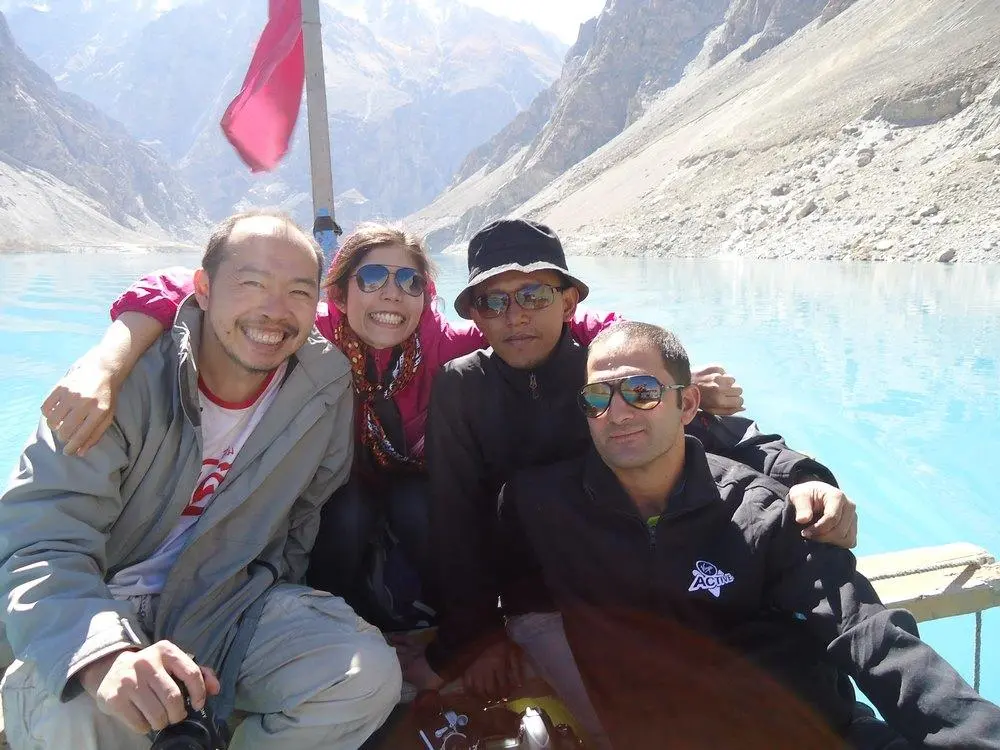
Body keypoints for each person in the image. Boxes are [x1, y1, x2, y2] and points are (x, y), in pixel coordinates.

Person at [38, 223, 744, 629]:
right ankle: (335, 619)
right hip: (335, 487)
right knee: (343, 513)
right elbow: (178, 288)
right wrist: (108, 360)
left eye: (409, 282)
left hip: (412, 483)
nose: (390, 295)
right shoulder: (305, 329)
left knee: (418, 506)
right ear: (340, 290)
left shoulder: (443, 341)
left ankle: (427, 619)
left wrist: (657, 370)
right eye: (373, 278)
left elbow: (578, 321)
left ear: (426, 298)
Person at [404, 219, 857, 746]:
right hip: (537, 600)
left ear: (568, 301)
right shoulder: (462, 387)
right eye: (493, 302)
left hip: (626, 587)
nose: (516, 315)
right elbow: (457, 518)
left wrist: (805, 478)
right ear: (476, 316)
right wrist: (476, 640)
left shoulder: (603, 378)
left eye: (533, 294)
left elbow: (722, 436)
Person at [0, 210, 401, 750]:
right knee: (80, 716)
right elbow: (40, 541)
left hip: (227, 604)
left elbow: (304, 514)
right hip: (100, 603)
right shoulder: (116, 386)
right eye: (252, 283)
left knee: (363, 674)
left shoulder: (322, 385)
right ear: (204, 290)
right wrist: (104, 656)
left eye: (298, 292)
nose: (275, 310)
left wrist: (271, 586)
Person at [501, 320, 1000, 749]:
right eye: (597, 396)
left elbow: (867, 634)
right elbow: (514, 593)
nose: (618, 412)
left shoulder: (762, 512)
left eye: (642, 391)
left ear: (688, 404)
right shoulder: (541, 506)